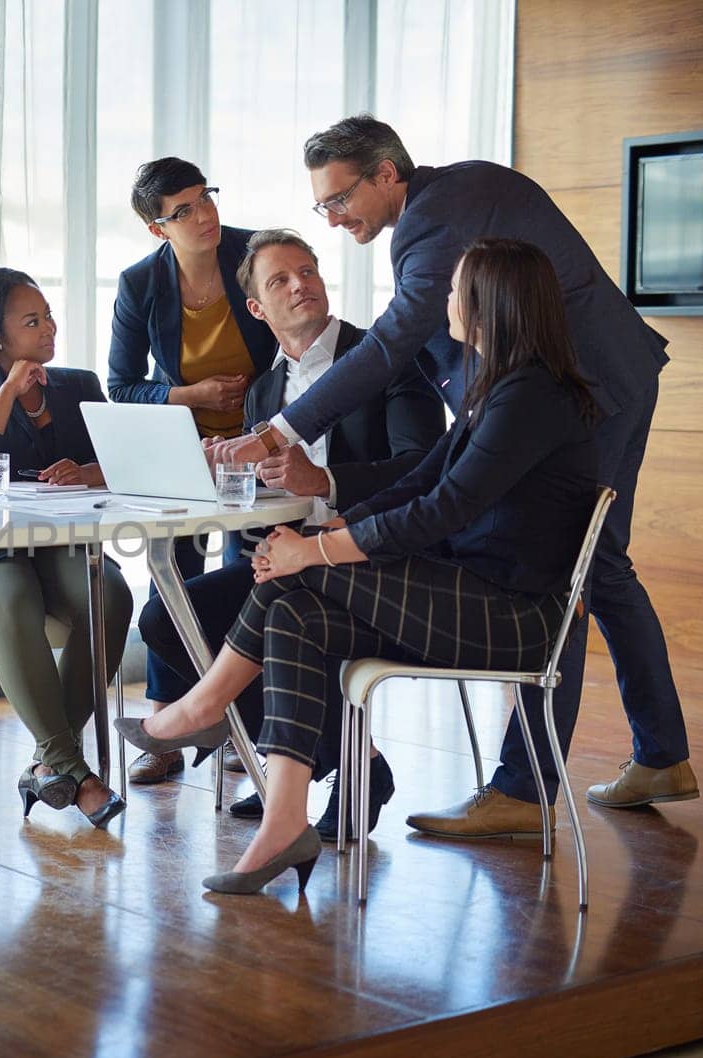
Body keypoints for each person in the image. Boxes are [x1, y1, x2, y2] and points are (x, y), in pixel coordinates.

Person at [210, 115, 697, 835]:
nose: (333, 217)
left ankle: (526, 792)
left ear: (386, 174)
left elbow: (391, 345)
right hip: (571, 386)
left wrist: (280, 429)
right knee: (603, 572)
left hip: (594, 386)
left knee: (578, 576)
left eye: (339, 199)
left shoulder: (437, 217)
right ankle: (658, 754)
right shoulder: (442, 205)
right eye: (322, 206)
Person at [120, 238, 601, 893]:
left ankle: (200, 707)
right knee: (293, 608)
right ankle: (284, 819)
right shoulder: (502, 388)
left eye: (456, 291)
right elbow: (425, 482)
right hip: (475, 595)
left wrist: (314, 547)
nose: (445, 302)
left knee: (293, 574)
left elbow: (441, 510)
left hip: (512, 615)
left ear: (491, 305)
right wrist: (337, 526)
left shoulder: (530, 397)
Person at [134, 228, 444, 835]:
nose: (301, 285)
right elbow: (271, 494)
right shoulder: (264, 391)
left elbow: (426, 467)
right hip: (296, 559)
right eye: (280, 280)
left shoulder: (384, 358)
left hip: (375, 555)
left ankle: (302, 769)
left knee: (279, 615)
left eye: (308, 271)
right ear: (256, 307)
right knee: (167, 618)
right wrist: (226, 472)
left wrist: (325, 481)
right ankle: (341, 762)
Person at [0, 268, 130, 828]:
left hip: (55, 548)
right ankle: (71, 768)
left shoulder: (80, 385)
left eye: (49, 316)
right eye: (33, 320)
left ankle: (47, 766)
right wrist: (8, 391)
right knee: (12, 596)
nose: (49, 327)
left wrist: (87, 473)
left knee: (109, 596)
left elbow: (121, 462)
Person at [106, 157, 275, 786]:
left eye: (206, 199)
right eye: (183, 211)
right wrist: (192, 396)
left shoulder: (253, 254)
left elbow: (296, 338)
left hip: (260, 445)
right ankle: (165, 727)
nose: (204, 216)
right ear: (158, 229)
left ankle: (237, 725)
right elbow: (120, 386)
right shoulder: (140, 284)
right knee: (171, 578)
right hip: (181, 450)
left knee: (243, 577)